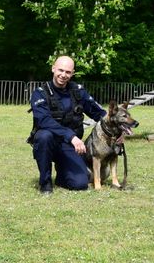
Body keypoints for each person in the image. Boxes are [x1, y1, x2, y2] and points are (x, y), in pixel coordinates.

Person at [29, 56, 106, 194]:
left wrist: (118, 129)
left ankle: (62, 175)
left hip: (69, 146)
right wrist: (71, 136)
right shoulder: (40, 93)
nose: (63, 75)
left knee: (80, 183)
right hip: (49, 143)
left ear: (73, 73)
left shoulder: (78, 91)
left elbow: (99, 113)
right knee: (44, 136)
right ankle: (45, 183)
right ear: (53, 68)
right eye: (60, 70)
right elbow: (43, 120)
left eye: (68, 72)